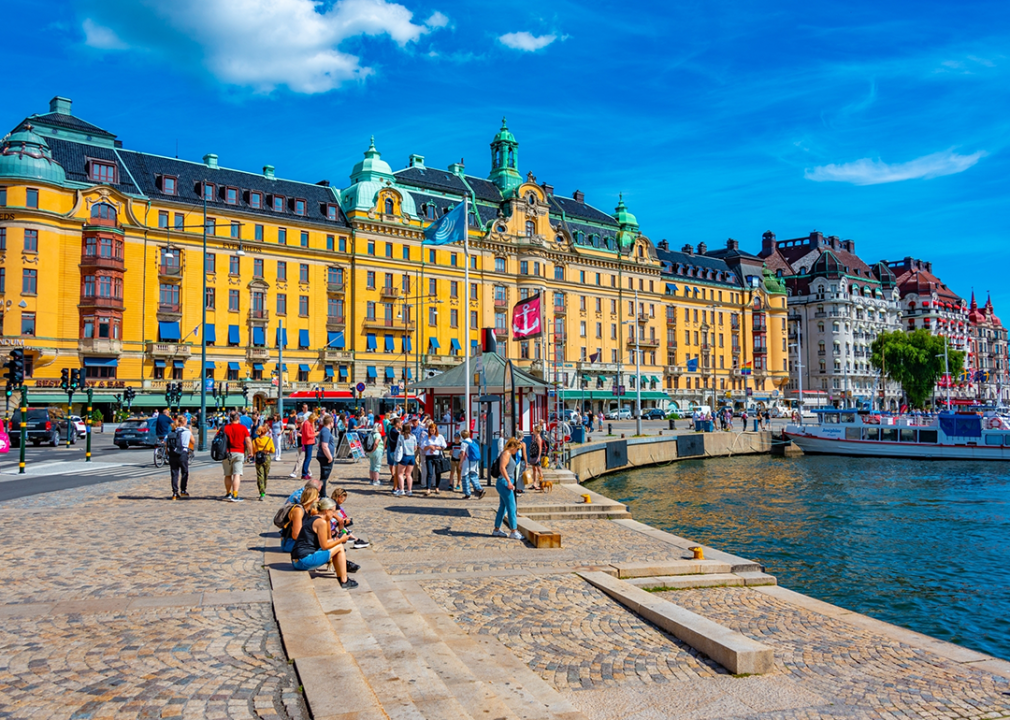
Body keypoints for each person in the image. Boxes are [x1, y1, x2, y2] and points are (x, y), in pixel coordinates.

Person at [289, 497, 358, 588]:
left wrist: (336, 538)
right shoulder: (321, 522)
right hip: (304, 561)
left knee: (337, 544)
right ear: (326, 511)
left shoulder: (314, 519)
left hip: (297, 561)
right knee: (340, 547)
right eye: (332, 512)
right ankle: (344, 580)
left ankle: (342, 576)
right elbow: (325, 546)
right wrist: (340, 540)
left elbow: (323, 542)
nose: (334, 515)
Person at [491, 438, 524, 540]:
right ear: (512, 447)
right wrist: (509, 482)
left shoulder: (507, 453)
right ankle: (513, 531)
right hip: (505, 482)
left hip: (504, 482)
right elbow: (502, 468)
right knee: (511, 507)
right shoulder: (506, 454)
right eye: (517, 449)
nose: (517, 451)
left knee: (503, 507)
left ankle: (497, 529)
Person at [221, 411, 252, 502]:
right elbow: (248, 441)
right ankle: (235, 495)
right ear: (238, 418)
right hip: (239, 452)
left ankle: (228, 493)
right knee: (236, 474)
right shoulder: (243, 428)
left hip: (226, 452)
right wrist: (251, 452)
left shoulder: (224, 428)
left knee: (227, 475)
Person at [281, 485, 318, 553]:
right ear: (313, 498)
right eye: (318, 497)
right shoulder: (298, 510)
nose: (319, 499)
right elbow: (296, 535)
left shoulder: (309, 511)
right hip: (290, 543)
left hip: (301, 542)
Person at [167, 415, 192, 500]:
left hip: (172, 454)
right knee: (184, 472)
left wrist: (168, 454)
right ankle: (183, 490)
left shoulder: (172, 432)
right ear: (184, 422)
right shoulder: (187, 432)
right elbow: (193, 441)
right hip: (182, 454)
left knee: (174, 473)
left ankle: (174, 493)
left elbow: (166, 443)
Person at [459, 429, 484, 499]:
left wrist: (460, 463)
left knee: (465, 477)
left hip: (466, 462)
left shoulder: (464, 443)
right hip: (474, 462)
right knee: (474, 476)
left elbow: (463, 454)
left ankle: (467, 494)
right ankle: (479, 489)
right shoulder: (473, 442)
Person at [252, 424, 275, 501]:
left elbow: (253, 451)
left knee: (259, 475)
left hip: (258, 458)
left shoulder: (255, 441)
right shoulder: (269, 440)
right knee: (265, 474)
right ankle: (264, 488)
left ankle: (262, 492)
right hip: (266, 457)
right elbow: (273, 450)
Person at [422, 423, 446, 496]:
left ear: (436, 430)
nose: (432, 432)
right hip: (429, 456)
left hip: (437, 456)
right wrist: (429, 446)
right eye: (431, 430)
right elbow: (423, 447)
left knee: (438, 472)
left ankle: (437, 487)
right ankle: (428, 488)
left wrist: (435, 447)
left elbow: (443, 446)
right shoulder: (426, 437)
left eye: (433, 430)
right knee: (430, 472)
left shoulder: (440, 437)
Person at [394, 424, 417, 497]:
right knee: (408, 474)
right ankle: (409, 490)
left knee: (400, 474)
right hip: (412, 456)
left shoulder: (401, 436)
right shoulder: (413, 436)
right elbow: (415, 447)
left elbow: (398, 446)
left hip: (404, 455)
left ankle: (401, 489)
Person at [316, 414, 336, 495]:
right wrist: (330, 457)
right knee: (324, 477)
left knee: (324, 477)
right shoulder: (325, 431)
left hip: (325, 456)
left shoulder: (325, 431)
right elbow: (324, 446)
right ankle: (322, 494)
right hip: (325, 457)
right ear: (331, 422)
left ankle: (321, 493)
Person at [527, 425, 547, 491]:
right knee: (534, 469)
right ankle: (534, 483)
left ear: (536, 430)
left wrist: (538, 456)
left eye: (534, 429)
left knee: (539, 469)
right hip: (533, 455)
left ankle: (541, 484)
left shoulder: (538, 438)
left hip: (536, 455)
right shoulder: (535, 437)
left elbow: (540, 448)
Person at [300, 412, 317, 480]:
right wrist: (315, 435)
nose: (314, 421)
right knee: (308, 458)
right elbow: (308, 435)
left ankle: (305, 473)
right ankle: (304, 473)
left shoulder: (309, 423)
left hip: (310, 442)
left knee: (308, 458)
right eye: (314, 420)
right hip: (307, 442)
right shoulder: (306, 423)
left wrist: (313, 424)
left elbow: (312, 430)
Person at [386, 416, 401, 487]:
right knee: (398, 470)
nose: (401, 424)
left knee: (397, 470)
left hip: (393, 450)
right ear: (397, 423)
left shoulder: (393, 430)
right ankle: (396, 486)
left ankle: (396, 484)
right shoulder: (394, 432)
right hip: (395, 451)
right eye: (400, 423)